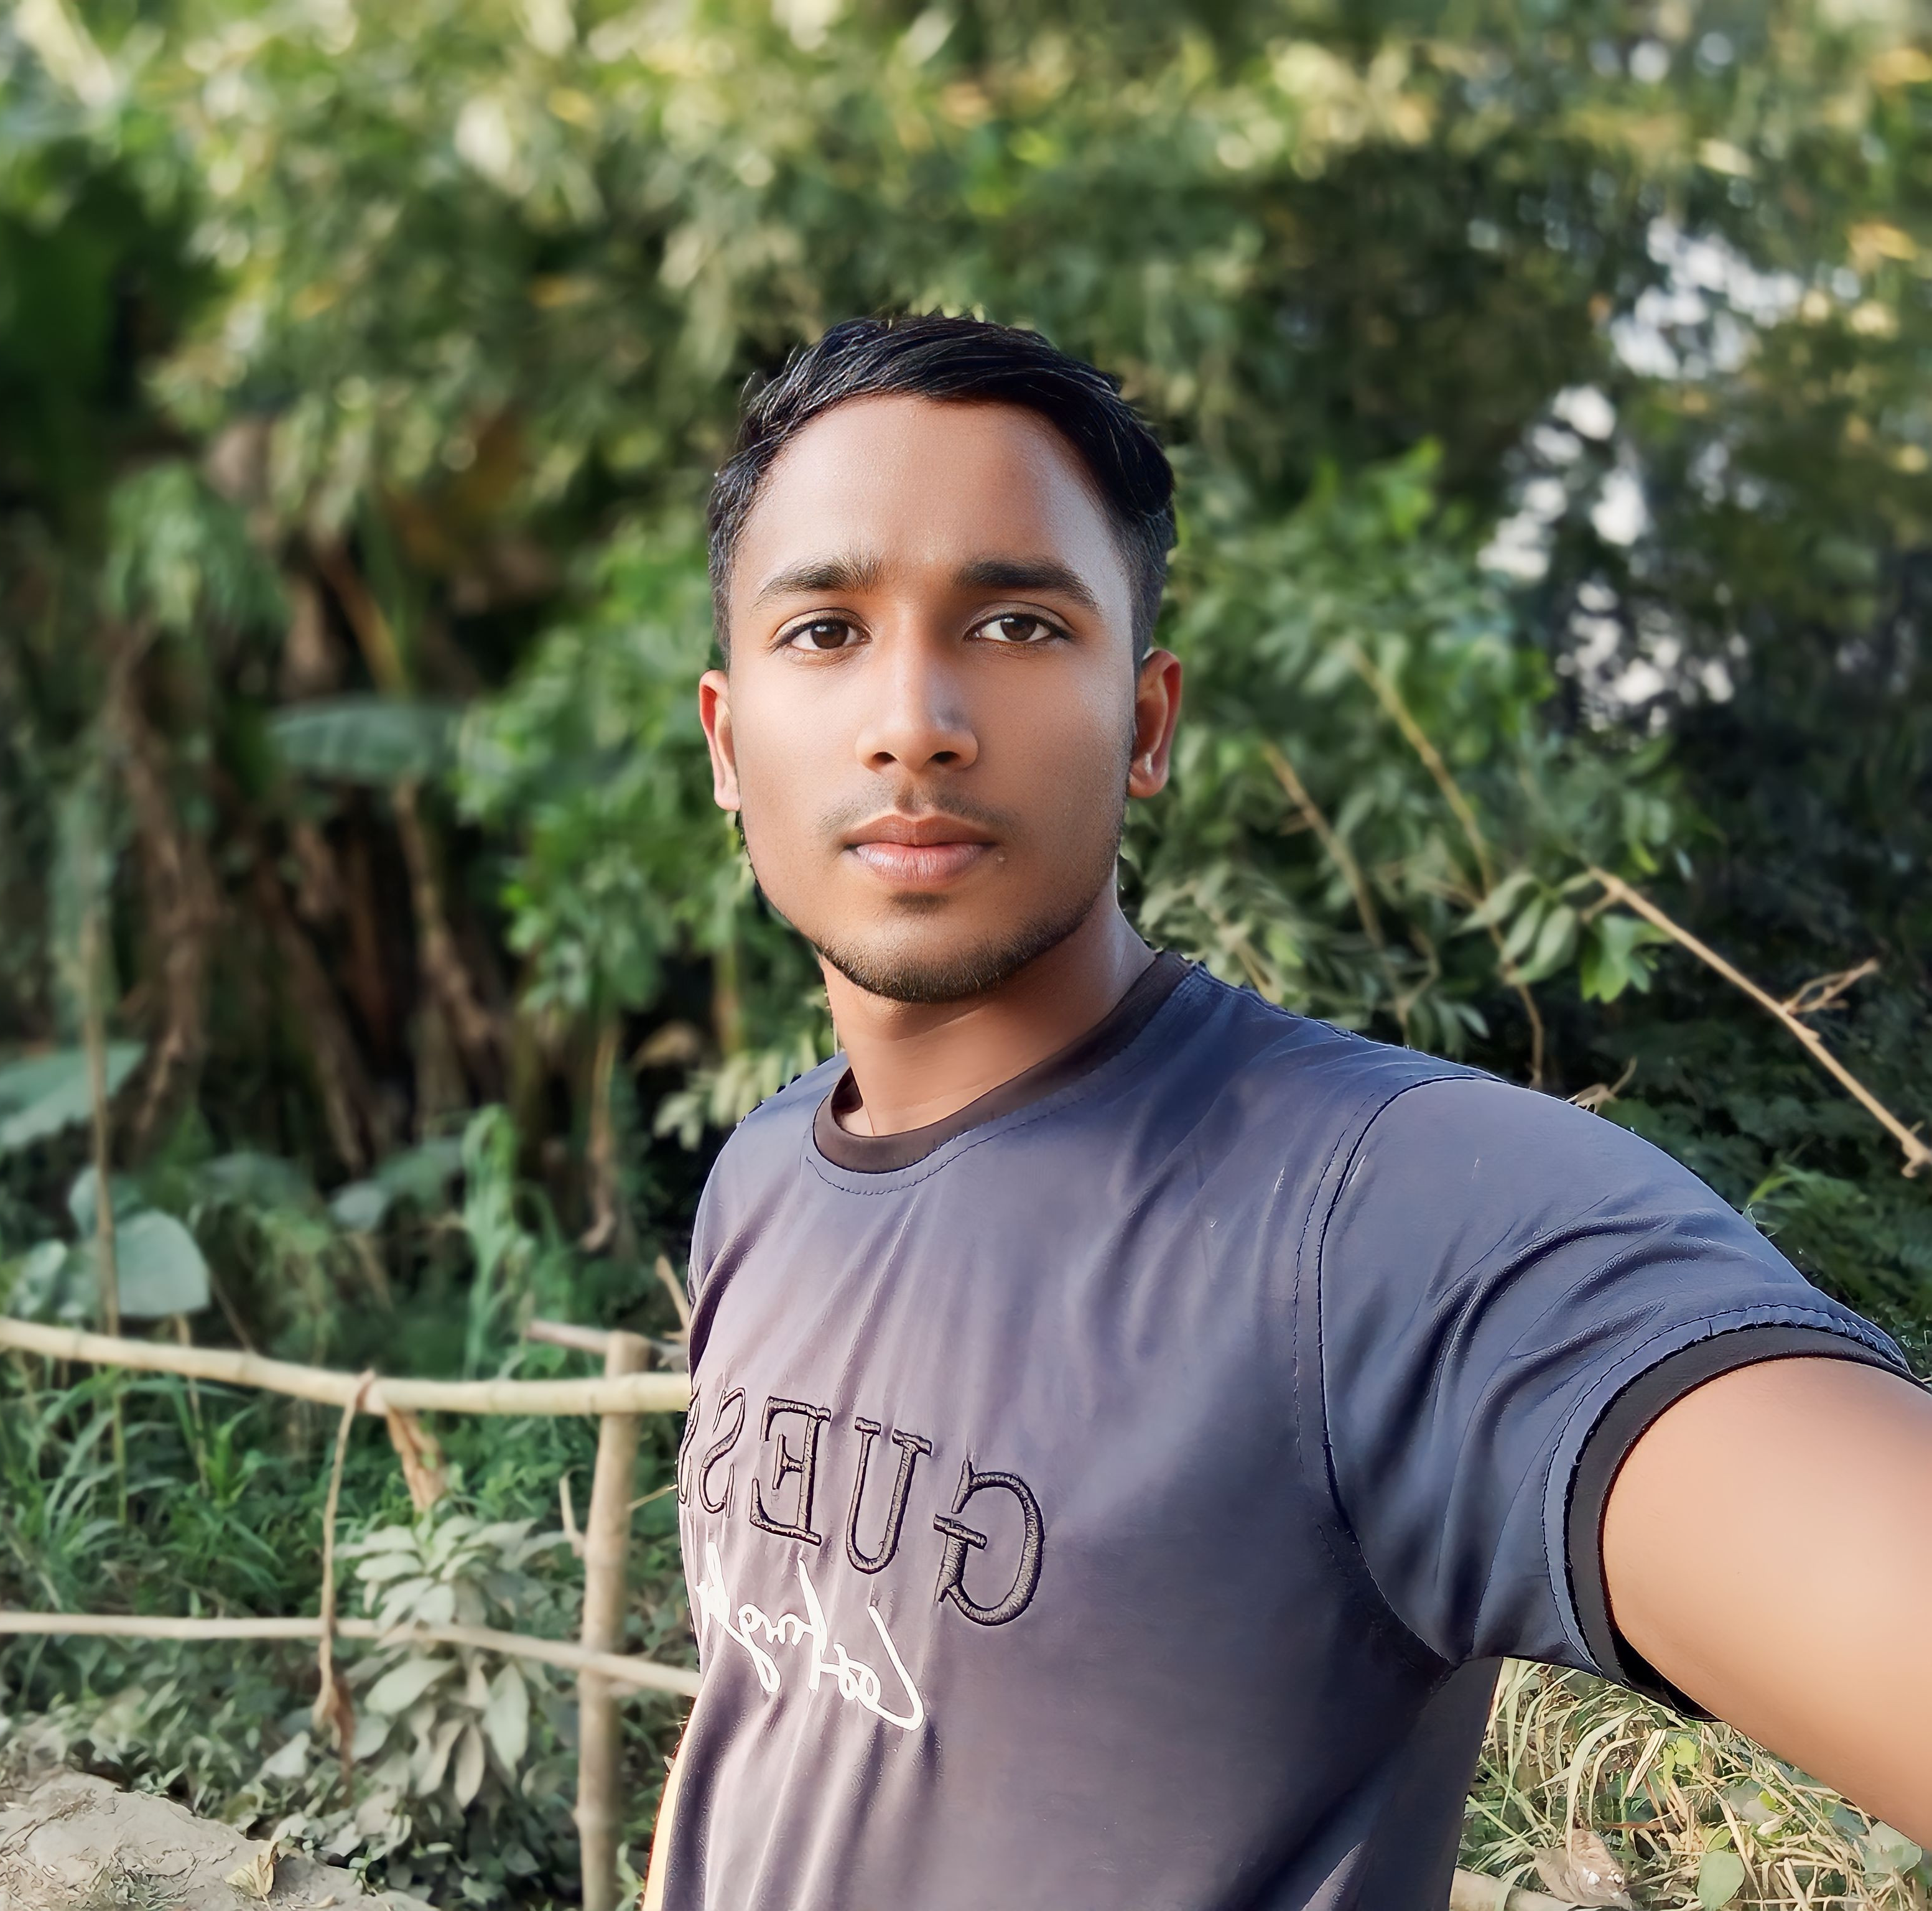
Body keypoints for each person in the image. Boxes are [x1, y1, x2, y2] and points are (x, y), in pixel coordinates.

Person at [644, 313, 1932, 1911]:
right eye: (825, 630)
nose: (912, 718)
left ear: (1145, 723)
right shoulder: (761, 1179)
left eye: (1019, 624)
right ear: (725, 741)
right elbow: (761, 1708)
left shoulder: (1380, 1220)